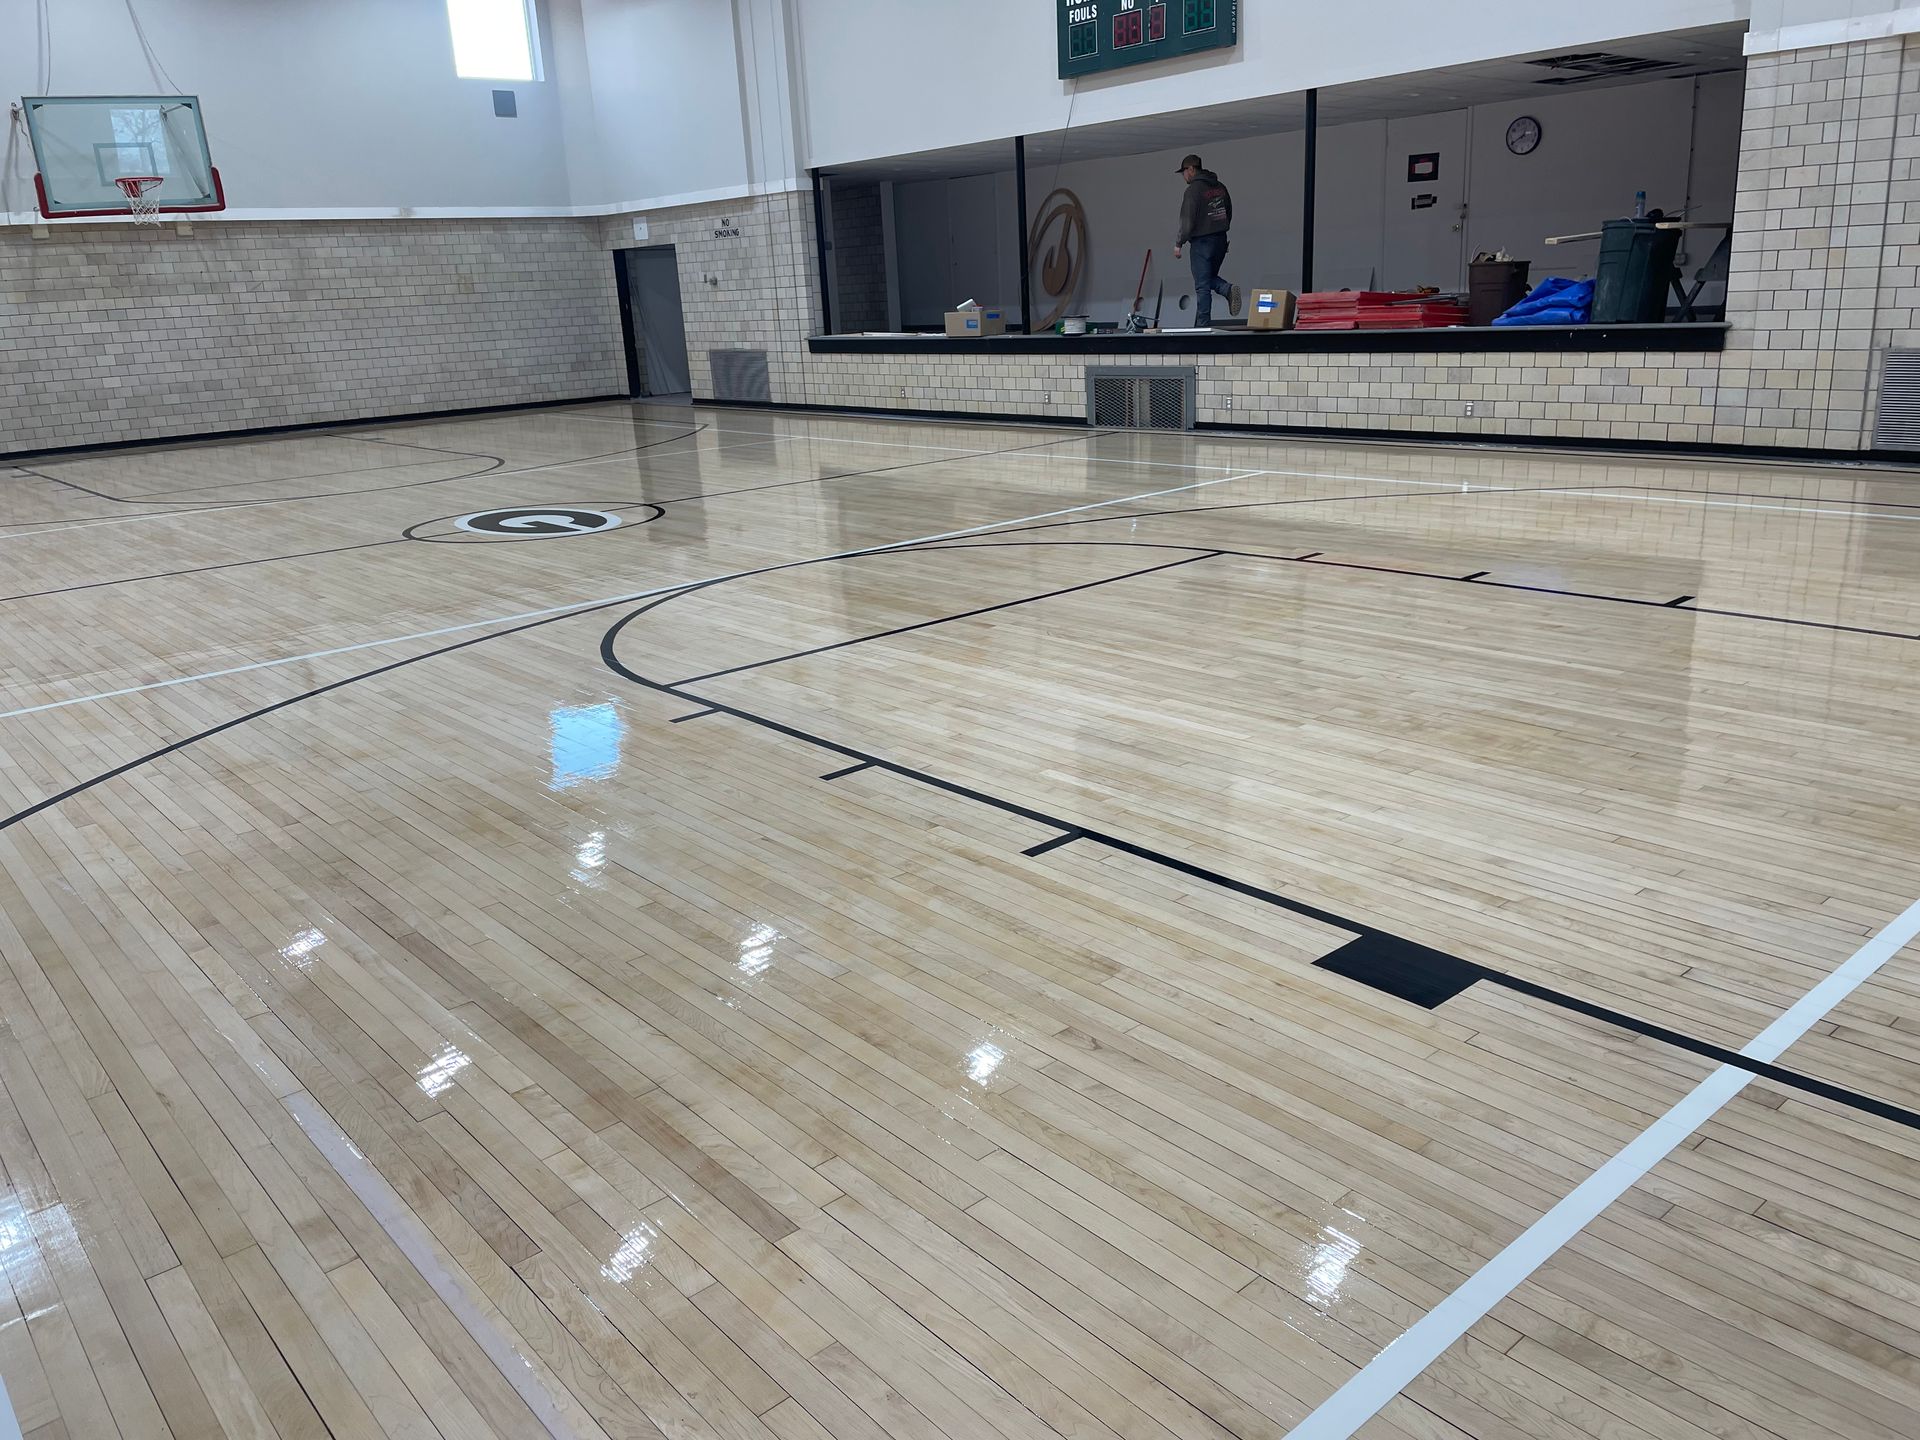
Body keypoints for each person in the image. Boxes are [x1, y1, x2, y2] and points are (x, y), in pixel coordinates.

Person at [1172, 154, 1240, 326]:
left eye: (1184, 172)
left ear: (1191, 169)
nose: (1184, 176)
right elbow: (1229, 211)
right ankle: (1226, 289)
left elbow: (1187, 219)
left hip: (1202, 243)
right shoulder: (1220, 187)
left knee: (1202, 286)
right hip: (1220, 241)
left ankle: (1203, 326)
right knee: (1208, 278)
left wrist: (1179, 243)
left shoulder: (1193, 191)